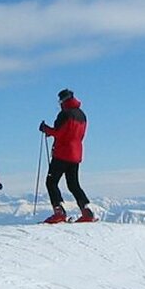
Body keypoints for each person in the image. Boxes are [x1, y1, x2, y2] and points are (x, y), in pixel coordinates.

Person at [39, 88, 96, 223]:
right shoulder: (82, 115)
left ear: (63, 100)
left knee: (51, 182)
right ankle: (86, 211)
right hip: (76, 153)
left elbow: (59, 133)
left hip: (62, 153)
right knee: (73, 184)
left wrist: (46, 129)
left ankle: (59, 212)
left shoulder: (65, 114)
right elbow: (73, 134)